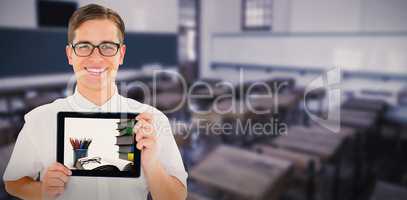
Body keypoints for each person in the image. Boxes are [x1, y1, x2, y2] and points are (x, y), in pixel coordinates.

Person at [3, 4, 187, 200]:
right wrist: (42, 191)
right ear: (70, 55)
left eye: (107, 47)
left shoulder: (152, 121)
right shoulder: (40, 120)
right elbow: (14, 182)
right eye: (84, 46)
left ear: (121, 55)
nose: (96, 58)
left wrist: (152, 164)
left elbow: (177, 196)